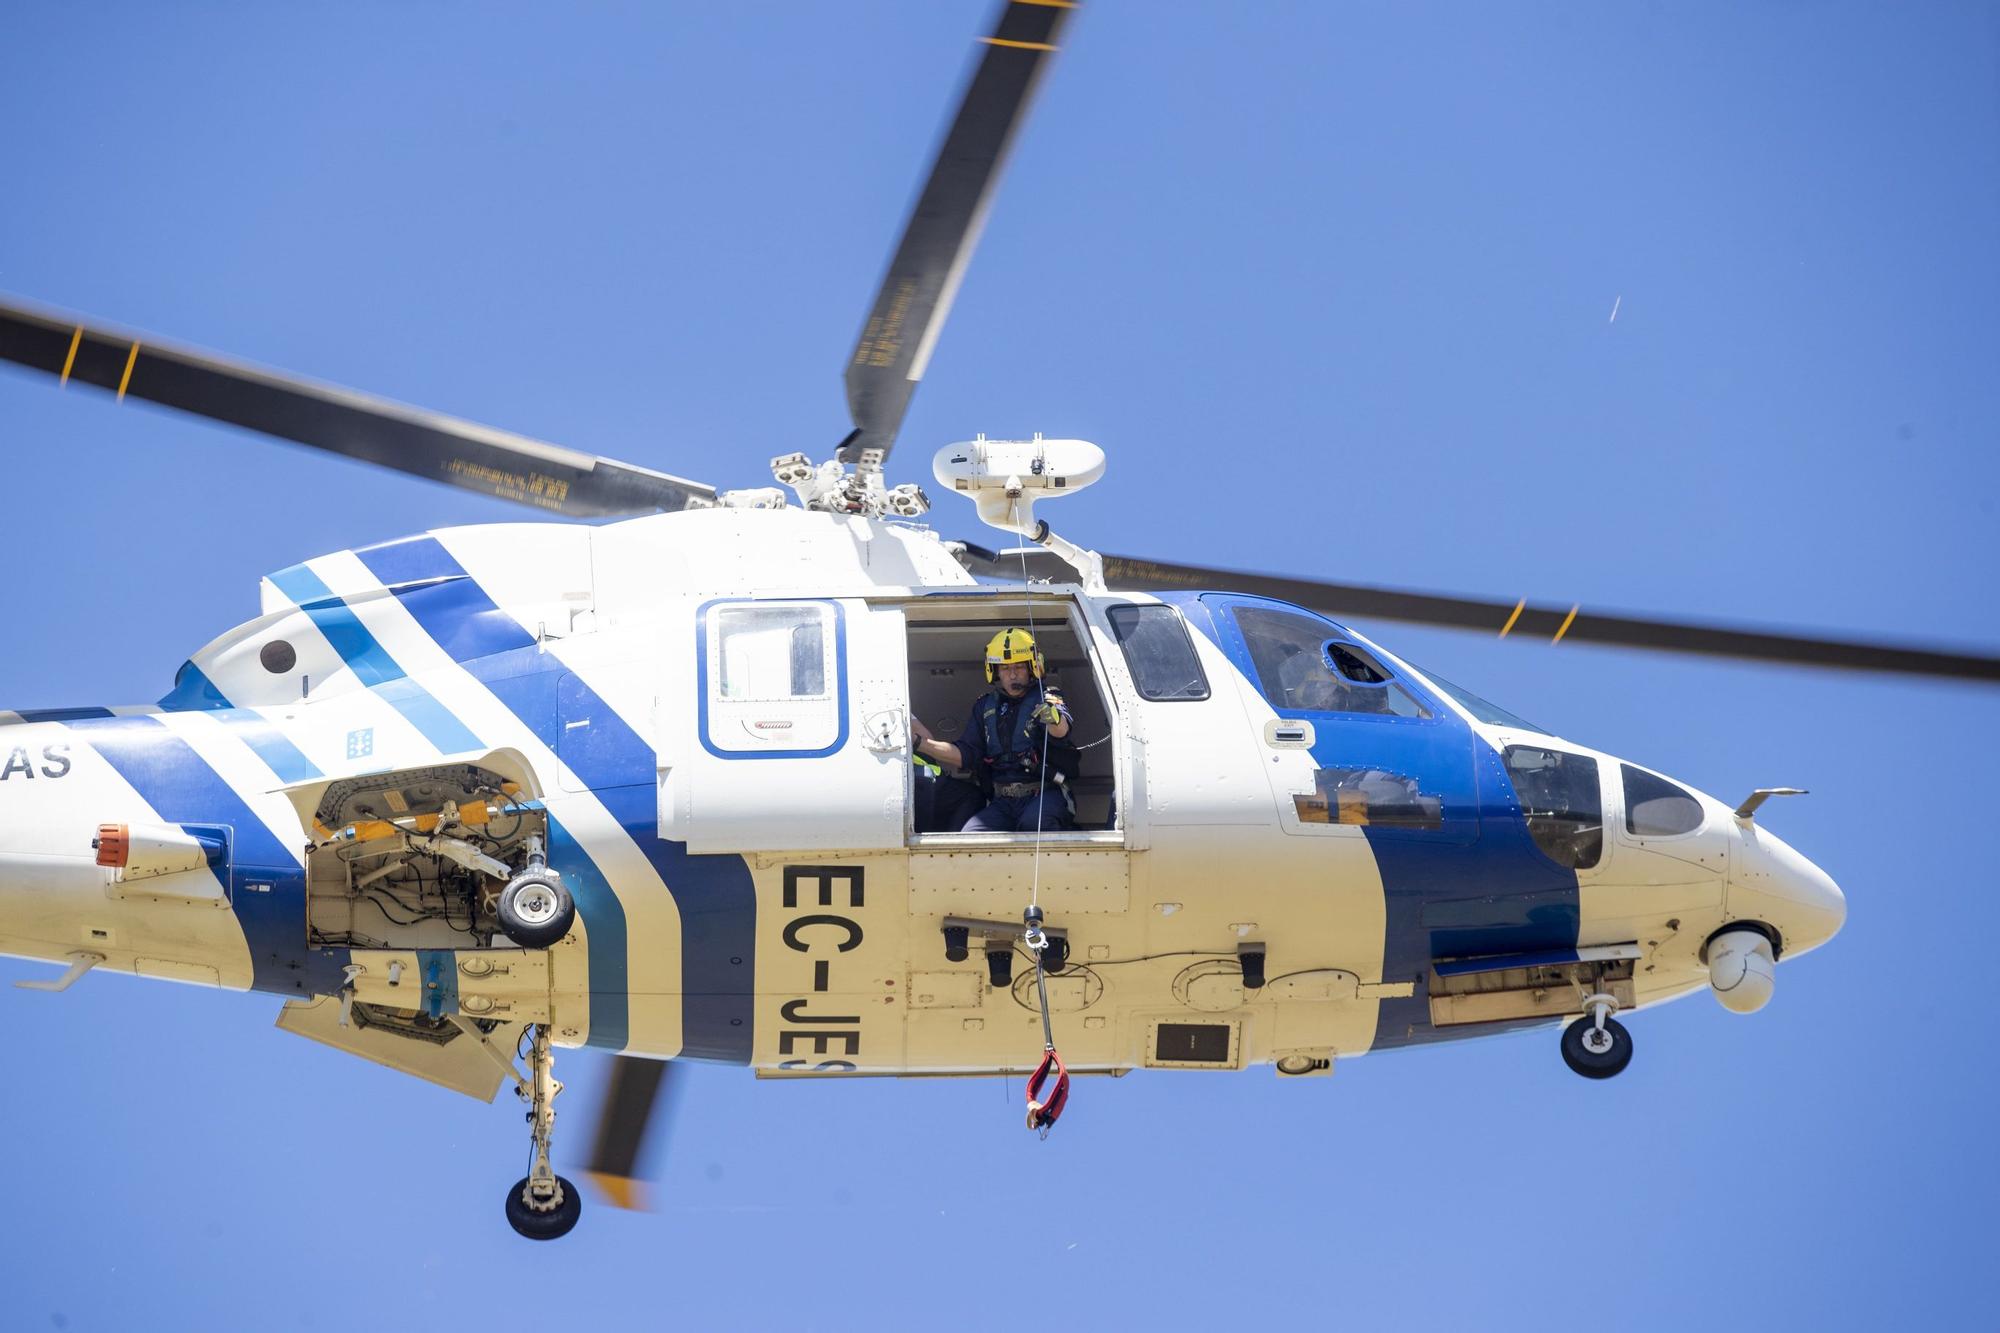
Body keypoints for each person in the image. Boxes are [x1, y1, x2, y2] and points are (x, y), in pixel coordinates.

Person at [911, 627, 1077, 833]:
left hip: (1044, 795)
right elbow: (965, 754)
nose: (1013, 674)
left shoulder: (1048, 697)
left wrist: (1053, 718)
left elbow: (1062, 732)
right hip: (1003, 802)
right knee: (971, 835)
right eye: (1005, 669)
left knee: (1034, 824)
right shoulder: (985, 706)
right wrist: (919, 743)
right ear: (995, 671)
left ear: (1033, 667)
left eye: (1019, 667)